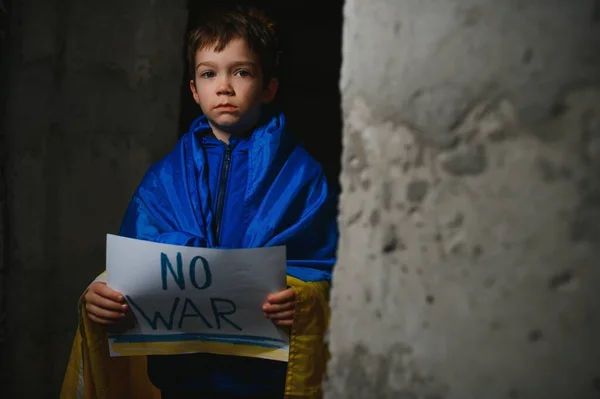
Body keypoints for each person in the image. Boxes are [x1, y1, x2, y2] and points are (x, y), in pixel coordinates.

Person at [61, 6, 338, 399]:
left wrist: (306, 301)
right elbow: (132, 270)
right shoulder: (163, 180)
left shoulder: (302, 177)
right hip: (182, 384)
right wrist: (102, 297)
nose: (223, 86)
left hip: (265, 384)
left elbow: (331, 273)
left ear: (269, 86)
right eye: (209, 73)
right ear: (194, 89)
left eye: (241, 71)